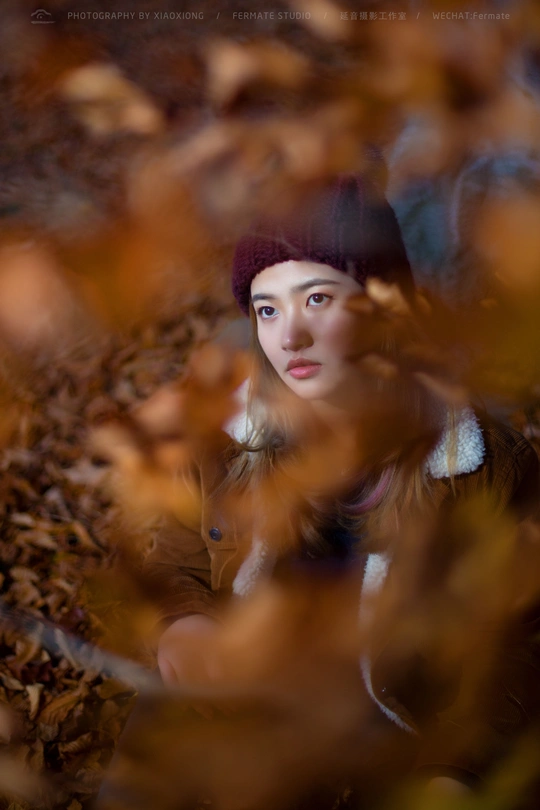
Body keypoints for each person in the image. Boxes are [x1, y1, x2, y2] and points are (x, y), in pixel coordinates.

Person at [100, 175, 540, 809]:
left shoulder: (483, 466)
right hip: (254, 704)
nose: (290, 337)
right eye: (268, 309)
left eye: (317, 299)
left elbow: (514, 649)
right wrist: (184, 622)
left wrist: (456, 770)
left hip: (402, 731)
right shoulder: (228, 439)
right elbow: (178, 553)